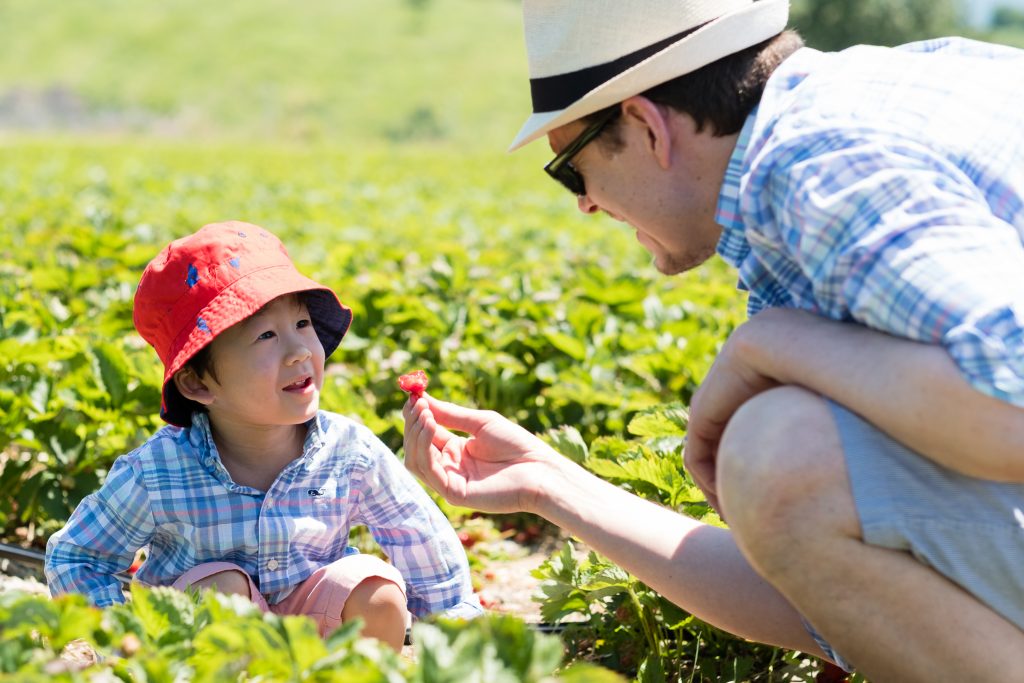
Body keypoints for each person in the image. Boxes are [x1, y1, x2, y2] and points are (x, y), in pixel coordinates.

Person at [403, 0, 1024, 679]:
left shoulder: (817, 167)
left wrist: (771, 343)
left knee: (782, 444)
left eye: (570, 166)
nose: (583, 201)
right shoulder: (893, 91)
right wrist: (551, 486)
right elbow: (841, 597)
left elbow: (1008, 403)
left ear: (644, 124)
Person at [46, 221, 481, 650]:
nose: (298, 351)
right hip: (208, 648)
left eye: (302, 324)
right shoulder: (158, 471)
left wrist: (456, 627)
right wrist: (119, 635)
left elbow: (417, 534)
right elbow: (80, 556)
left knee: (376, 592)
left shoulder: (349, 451)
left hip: (315, 627)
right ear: (199, 384)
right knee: (223, 593)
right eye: (266, 335)